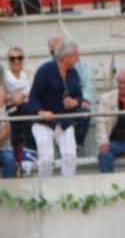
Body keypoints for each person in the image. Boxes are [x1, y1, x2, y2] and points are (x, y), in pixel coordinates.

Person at [26, 40, 84, 176]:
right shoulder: (45, 71)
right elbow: (33, 96)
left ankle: (68, 187)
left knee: (70, 155)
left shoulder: (73, 73)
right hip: (43, 122)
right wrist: (41, 112)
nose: (78, 59)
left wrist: (74, 102)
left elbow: (79, 95)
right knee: (46, 159)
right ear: (66, 57)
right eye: (76, 56)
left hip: (64, 121)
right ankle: (44, 190)